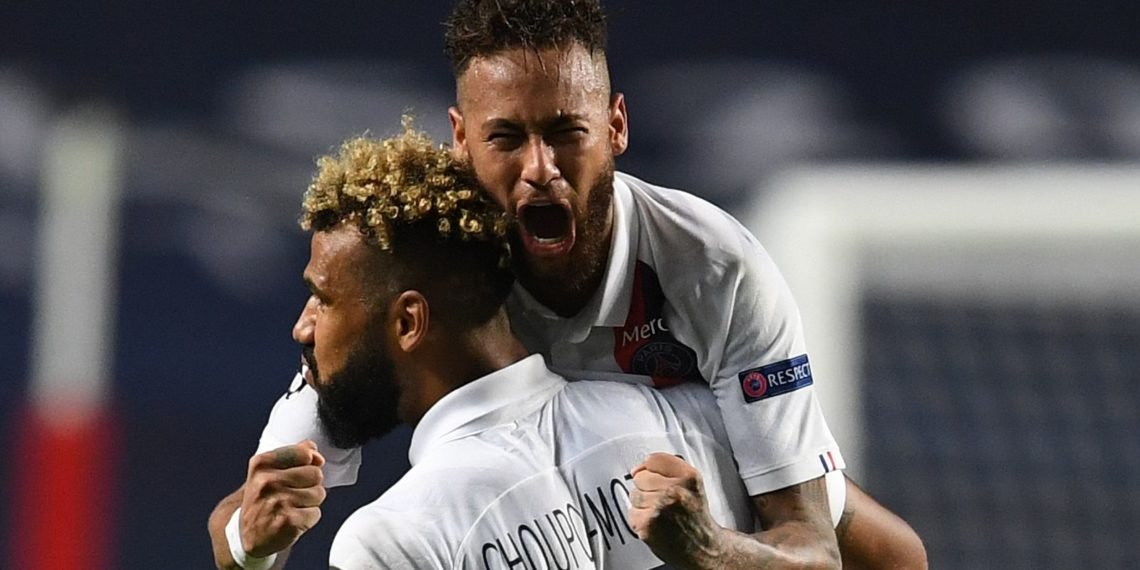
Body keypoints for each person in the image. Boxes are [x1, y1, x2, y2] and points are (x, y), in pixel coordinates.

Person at [208, 0, 926, 568]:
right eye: (506, 138)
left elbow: (820, 546)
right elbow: (247, 518)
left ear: (615, 127)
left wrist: (709, 549)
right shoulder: (442, 258)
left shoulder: (714, 267)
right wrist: (250, 541)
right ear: (460, 140)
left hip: (683, 479)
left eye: (565, 132)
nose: (539, 169)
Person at [295, 127, 759, 569]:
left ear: (408, 323)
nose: (303, 328)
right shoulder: (696, 421)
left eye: (322, 300)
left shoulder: (391, 542)